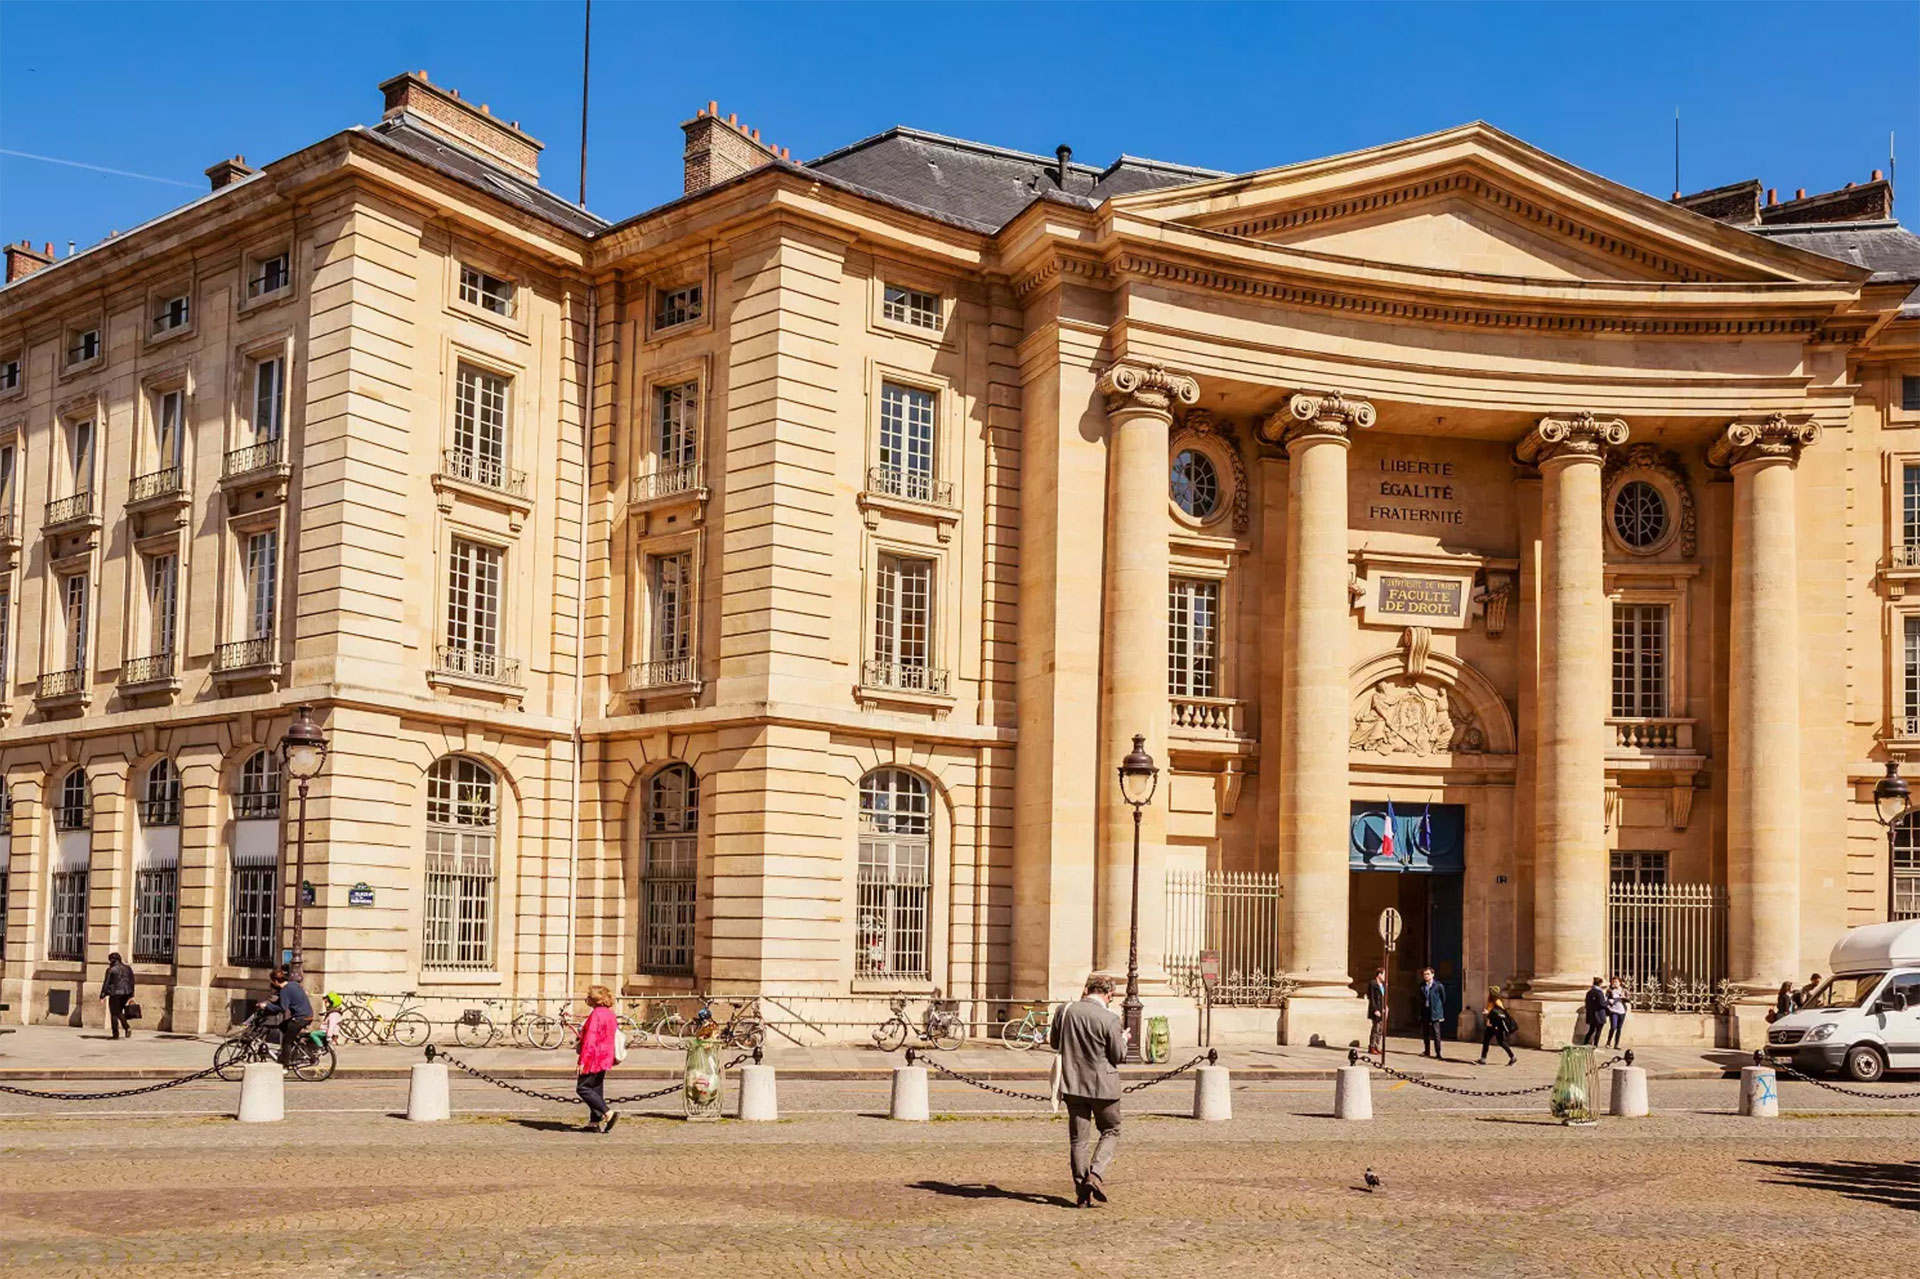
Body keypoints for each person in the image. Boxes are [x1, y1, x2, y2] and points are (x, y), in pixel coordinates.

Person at [1048, 972, 1128, 1208]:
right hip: (1104, 1087)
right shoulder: (1110, 1019)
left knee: (1078, 1140)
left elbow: (1054, 1043)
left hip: (1073, 1085)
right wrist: (1122, 1038)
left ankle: (1082, 1190)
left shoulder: (1065, 1011)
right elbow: (1118, 1055)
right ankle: (1095, 1175)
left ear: (1087, 989)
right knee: (1111, 1129)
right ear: (1108, 993)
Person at [575, 985, 620, 1134]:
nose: (586, 997)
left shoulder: (596, 1014)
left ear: (594, 999)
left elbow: (590, 1038)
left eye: (588, 995)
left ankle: (607, 1112)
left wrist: (582, 1061)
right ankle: (594, 1122)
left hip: (593, 1056)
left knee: (583, 1088)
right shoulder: (610, 1014)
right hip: (605, 1056)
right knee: (596, 1089)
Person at [258, 968, 313, 1069]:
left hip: (301, 1018)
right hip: (307, 1014)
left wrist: (266, 1006)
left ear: (276, 981)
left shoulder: (285, 991)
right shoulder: (293, 984)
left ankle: (286, 1065)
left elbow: (282, 1008)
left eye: (272, 981)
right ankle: (295, 1045)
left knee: (286, 1041)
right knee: (282, 1026)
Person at [1477, 986, 1517, 1065]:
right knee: (1486, 1040)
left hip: (1496, 1025)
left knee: (1501, 1042)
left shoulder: (1497, 1001)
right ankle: (1483, 1058)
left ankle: (1513, 1057)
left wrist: (1488, 1013)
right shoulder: (1491, 1001)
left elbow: (1501, 1014)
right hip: (1490, 1024)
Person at [101, 953, 136, 1040]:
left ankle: (115, 1033)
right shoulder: (128, 968)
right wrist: (131, 994)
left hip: (115, 993)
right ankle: (127, 1027)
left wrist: (102, 995)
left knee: (114, 1014)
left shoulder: (111, 970)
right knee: (119, 1012)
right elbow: (132, 981)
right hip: (126, 993)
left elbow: (106, 983)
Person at [1417, 967, 1447, 1060]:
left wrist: (1438, 1008)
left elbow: (1443, 998)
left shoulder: (1438, 986)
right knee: (1426, 1032)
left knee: (1436, 1033)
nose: (1426, 976)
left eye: (1428, 974)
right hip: (1425, 1011)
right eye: (1425, 974)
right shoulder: (1422, 986)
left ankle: (1438, 1052)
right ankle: (1427, 1051)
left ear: (1432, 975)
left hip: (1435, 1012)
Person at [1365, 967, 1388, 1060]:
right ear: (1379, 974)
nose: (1385, 977)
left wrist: (1386, 1007)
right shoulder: (1373, 983)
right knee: (1376, 1028)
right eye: (1384, 974)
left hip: (1382, 1008)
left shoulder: (1383, 985)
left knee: (1380, 1029)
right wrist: (1375, 1010)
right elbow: (1372, 998)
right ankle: (1372, 1046)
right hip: (1376, 1009)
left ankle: (1377, 1046)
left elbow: (1384, 997)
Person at [1581, 977, 1607, 1047]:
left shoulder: (1589, 992)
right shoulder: (1599, 992)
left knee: (1591, 1030)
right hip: (1599, 1014)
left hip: (1591, 1014)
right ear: (1600, 984)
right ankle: (1595, 1044)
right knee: (1598, 1030)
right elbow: (1602, 1003)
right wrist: (1608, 1004)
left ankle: (1585, 1042)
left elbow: (1587, 1003)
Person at [1605, 977, 1629, 1049]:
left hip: (1622, 1011)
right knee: (1613, 1027)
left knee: (1619, 1028)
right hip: (1614, 1011)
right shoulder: (1610, 991)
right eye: (1613, 982)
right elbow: (1606, 1000)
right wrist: (1609, 1005)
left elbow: (1628, 999)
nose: (1614, 983)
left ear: (1619, 982)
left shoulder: (1624, 990)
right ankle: (1608, 1042)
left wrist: (1624, 997)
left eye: (1616, 982)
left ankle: (1616, 1044)